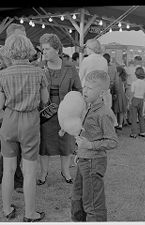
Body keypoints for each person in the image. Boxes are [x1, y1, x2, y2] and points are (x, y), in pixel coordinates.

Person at [0, 34, 49, 221]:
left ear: (9, 51)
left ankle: (6, 209)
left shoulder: (3, 74)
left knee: (8, 169)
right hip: (30, 121)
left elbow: (0, 105)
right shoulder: (39, 72)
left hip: (9, 121)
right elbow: (45, 100)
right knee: (29, 171)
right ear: (28, 50)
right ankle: (30, 214)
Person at [71, 70, 118, 221]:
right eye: (85, 86)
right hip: (84, 160)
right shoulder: (88, 107)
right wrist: (79, 152)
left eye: (90, 88)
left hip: (94, 162)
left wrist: (90, 145)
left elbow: (113, 141)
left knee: (92, 203)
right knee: (77, 197)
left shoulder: (104, 113)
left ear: (102, 93)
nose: (85, 90)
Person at [37, 33, 82, 185]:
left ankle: (66, 171)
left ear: (57, 49)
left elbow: (78, 90)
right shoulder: (39, 67)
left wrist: (74, 106)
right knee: (44, 143)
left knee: (66, 142)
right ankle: (43, 173)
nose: (44, 52)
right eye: (43, 49)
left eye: (47, 49)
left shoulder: (70, 68)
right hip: (45, 111)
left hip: (66, 111)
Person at [0, 45, 24, 193]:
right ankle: (15, 180)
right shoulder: (5, 73)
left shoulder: (7, 73)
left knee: (13, 152)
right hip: (7, 117)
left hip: (8, 117)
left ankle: (17, 180)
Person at [129, 67, 145, 138]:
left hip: (135, 99)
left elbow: (132, 93)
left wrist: (130, 101)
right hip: (141, 100)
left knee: (134, 117)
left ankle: (134, 133)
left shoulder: (134, 83)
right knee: (141, 116)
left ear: (136, 74)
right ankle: (142, 132)